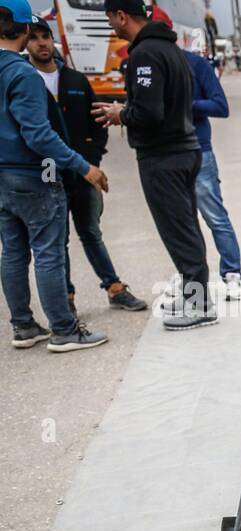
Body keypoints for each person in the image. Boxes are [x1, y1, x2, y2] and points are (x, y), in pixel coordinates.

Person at [92, 0, 214, 330]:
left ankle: (199, 304)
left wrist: (121, 113)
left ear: (120, 15)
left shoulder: (144, 55)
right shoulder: (170, 48)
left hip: (164, 156)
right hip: (185, 150)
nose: (110, 26)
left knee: (178, 230)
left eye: (110, 19)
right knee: (186, 226)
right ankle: (196, 294)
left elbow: (149, 113)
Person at [0, 0, 108, 351]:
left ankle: (24, 327)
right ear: (25, 29)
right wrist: (84, 166)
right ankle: (64, 330)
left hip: (2, 177)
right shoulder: (22, 74)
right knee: (48, 252)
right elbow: (38, 135)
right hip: (34, 173)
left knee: (13, 252)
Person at [25, 18, 147, 313]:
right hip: (49, 173)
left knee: (91, 232)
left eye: (46, 37)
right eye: (35, 38)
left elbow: (99, 122)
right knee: (57, 239)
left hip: (84, 170)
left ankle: (115, 288)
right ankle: (66, 298)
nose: (42, 43)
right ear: (26, 43)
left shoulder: (76, 81)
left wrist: (93, 158)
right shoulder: (26, 81)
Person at [183, 36, 241, 298]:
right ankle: (192, 282)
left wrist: (183, 105)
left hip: (198, 150)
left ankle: (232, 274)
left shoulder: (195, 64)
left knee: (215, 216)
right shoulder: (142, 63)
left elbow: (220, 106)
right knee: (181, 223)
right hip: (164, 155)